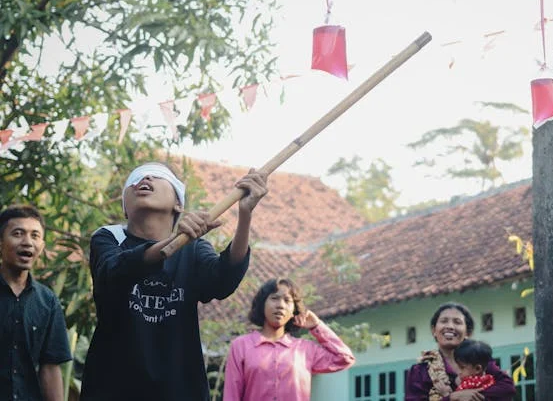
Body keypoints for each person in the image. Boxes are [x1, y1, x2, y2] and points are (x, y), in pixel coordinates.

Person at [80, 162, 268, 401]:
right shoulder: (109, 237)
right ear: (125, 207)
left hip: (180, 390)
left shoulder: (193, 248)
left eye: (157, 175)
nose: (144, 178)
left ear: (178, 203)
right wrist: (175, 241)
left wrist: (245, 215)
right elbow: (114, 271)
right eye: (135, 179)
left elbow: (223, 280)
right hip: (113, 389)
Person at [223, 277, 356, 401]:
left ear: (294, 309)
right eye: (274, 298)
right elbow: (231, 395)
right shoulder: (241, 346)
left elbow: (344, 358)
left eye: (287, 300)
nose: (280, 305)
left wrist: (317, 326)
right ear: (262, 304)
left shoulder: (305, 349)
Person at [0, 205, 72, 401]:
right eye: (18, 234)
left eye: (35, 235)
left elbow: (50, 367)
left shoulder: (48, 302)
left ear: (42, 245)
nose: (27, 242)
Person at [405, 302, 516, 401]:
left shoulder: (480, 361)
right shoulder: (420, 371)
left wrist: (470, 395)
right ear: (434, 330)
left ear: (468, 332)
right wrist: (453, 397)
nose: (450, 326)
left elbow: (507, 388)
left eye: (457, 322)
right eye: (444, 321)